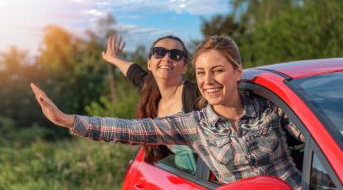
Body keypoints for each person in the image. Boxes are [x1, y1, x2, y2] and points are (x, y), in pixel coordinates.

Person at [31, 35, 304, 189]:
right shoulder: (193, 123)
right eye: (202, 73)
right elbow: (131, 128)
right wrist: (68, 120)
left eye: (218, 70)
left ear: (237, 71)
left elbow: (313, 133)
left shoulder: (269, 106)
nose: (208, 80)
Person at [101, 35, 199, 173]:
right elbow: (135, 74)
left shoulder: (193, 94)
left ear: (184, 67)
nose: (166, 58)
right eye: (159, 52)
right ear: (149, 64)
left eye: (175, 55)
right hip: (181, 181)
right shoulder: (152, 91)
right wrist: (114, 59)